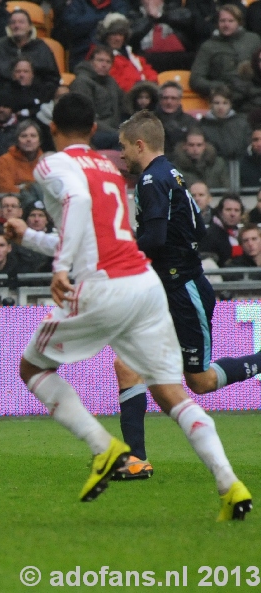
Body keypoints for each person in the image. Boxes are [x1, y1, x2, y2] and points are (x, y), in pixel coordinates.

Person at [13, 93, 251, 520]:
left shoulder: (51, 165)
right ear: (93, 131)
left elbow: (77, 206)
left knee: (32, 368)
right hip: (145, 285)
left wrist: (61, 268)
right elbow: (109, 236)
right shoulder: (109, 169)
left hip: (106, 286)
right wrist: (28, 237)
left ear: (53, 130)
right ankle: (229, 483)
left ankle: (106, 449)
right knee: (172, 389)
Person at [113, 111, 261, 477]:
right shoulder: (172, 173)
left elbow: (155, 238)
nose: (120, 155)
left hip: (182, 290)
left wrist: (120, 253)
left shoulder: (151, 180)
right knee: (126, 365)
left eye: (123, 147)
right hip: (165, 287)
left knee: (200, 381)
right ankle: (135, 459)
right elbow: (197, 225)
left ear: (139, 144)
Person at [190, 5, 261, 99]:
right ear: (217, 23)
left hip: (255, 95)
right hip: (225, 98)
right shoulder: (208, 46)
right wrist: (222, 87)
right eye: (222, 21)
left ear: (239, 23)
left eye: (231, 21)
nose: (226, 25)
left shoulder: (253, 40)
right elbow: (196, 80)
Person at [0, 8, 60, 90]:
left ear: (30, 27)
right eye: (13, 23)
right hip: (4, 94)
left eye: (21, 22)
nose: (17, 26)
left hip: (36, 93)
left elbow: (52, 78)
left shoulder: (41, 47)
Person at [69, 45, 124, 150]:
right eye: (100, 60)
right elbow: (86, 116)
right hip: (91, 132)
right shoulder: (82, 82)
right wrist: (116, 132)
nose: (104, 65)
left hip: (114, 130)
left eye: (108, 62)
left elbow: (123, 107)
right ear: (90, 62)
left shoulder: (111, 82)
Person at [98, 12, 157, 93]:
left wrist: (150, 84)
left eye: (121, 34)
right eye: (114, 34)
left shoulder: (133, 56)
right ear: (106, 36)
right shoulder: (104, 59)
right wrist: (141, 88)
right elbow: (115, 83)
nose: (118, 38)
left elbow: (149, 72)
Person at [199, 85, 252, 161]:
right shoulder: (202, 126)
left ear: (230, 105)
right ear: (210, 104)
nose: (221, 107)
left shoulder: (242, 123)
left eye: (225, 103)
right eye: (217, 103)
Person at [0, 119, 43, 193]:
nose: (28, 139)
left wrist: (22, 187)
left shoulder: (47, 160)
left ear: (40, 141)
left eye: (33, 136)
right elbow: (5, 190)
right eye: (24, 136)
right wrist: (35, 188)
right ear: (17, 141)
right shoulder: (4, 160)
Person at [199, 194, 244, 266]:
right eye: (228, 209)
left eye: (236, 210)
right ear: (220, 212)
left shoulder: (242, 234)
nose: (232, 214)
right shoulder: (209, 235)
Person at [155, 80, 198, 155]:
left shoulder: (191, 122)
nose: (169, 102)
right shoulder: (149, 121)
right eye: (165, 98)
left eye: (173, 98)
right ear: (160, 99)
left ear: (179, 100)